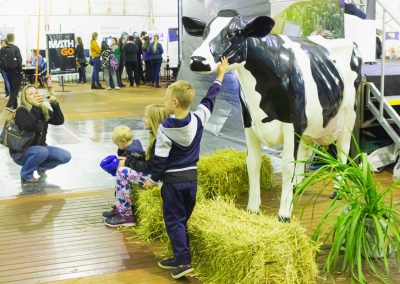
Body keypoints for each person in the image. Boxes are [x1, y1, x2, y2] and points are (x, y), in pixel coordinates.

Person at [143, 57, 229, 279]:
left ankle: (183, 261)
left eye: (166, 99)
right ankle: (179, 256)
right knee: (181, 221)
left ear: (175, 104)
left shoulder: (165, 129)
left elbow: (160, 161)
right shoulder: (199, 118)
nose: (164, 102)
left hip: (172, 184)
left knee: (174, 222)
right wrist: (220, 76)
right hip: (192, 181)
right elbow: (210, 100)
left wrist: (152, 180)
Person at [103, 105, 169, 227]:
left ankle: (125, 215)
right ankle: (120, 206)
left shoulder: (160, 141)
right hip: (157, 175)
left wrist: (127, 162)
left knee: (122, 172)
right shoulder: (156, 137)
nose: (143, 119)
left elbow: (151, 167)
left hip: (159, 180)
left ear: (154, 120)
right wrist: (127, 160)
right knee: (123, 170)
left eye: (146, 117)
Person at [10, 84, 71, 185]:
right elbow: (29, 127)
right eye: (30, 94)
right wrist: (36, 107)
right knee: (42, 151)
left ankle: (40, 167)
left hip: (40, 149)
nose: (34, 95)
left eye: (36, 93)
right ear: (25, 98)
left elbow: (59, 121)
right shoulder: (21, 111)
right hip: (21, 152)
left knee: (65, 156)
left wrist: (55, 104)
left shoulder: (42, 109)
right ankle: (26, 174)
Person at [2, 33, 22, 112]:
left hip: (7, 71)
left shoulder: (2, 49)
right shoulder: (16, 48)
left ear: (7, 39)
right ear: (14, 39)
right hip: (16, 71)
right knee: (15, 89)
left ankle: (14, 105)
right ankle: (9, 105)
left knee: (12, 87)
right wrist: (20, 70)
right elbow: (20, 60)